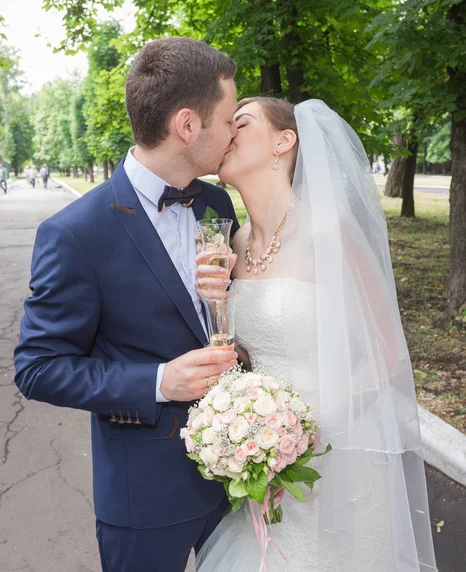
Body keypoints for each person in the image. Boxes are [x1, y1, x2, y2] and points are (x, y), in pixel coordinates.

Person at [14, 37, 240, 572]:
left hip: (235, 477)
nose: (234, 132)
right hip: (145, 498)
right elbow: (38, 367)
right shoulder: (75, 232)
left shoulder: (215, 203)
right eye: (229, 119)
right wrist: (159, 381)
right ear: (188, 125)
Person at [194, 98, 438, 571]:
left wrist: (306, 432)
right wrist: (215, 311)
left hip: (336, 452)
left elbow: (388, 357)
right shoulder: (236, 242)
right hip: (261, 451)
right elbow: (245, 350)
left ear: (283, 143)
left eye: (240, 124)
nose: (227, 134)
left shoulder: (331, 232)